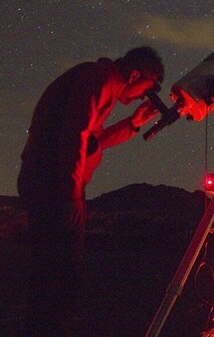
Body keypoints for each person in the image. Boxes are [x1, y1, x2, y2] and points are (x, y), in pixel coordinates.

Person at [17, 46, 164, 335]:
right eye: (148, 88)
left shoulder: (101, 82)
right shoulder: (98, 79)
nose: (144, 95)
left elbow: (93, 142)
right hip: (54, 186)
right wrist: (71, 195)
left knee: (55, 270)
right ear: (136, 74)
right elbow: (74, 135)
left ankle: (48, 327)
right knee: (58, 271)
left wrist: (134, 123)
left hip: (54, 184)